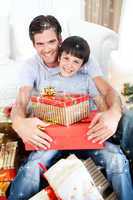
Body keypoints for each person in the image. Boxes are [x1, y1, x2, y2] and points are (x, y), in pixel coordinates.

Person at [8, 16, 133, 199]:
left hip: (86, 133)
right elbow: (26, 101)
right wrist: (19, 120)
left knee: (116, 158)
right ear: (33, 45)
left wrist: (111, 114)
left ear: (60, 39)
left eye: (51, 41)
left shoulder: (84, 68)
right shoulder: (40, 75)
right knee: (33, 166)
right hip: (54, 135)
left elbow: (104, 95)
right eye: (40, 43)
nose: (47, 48)